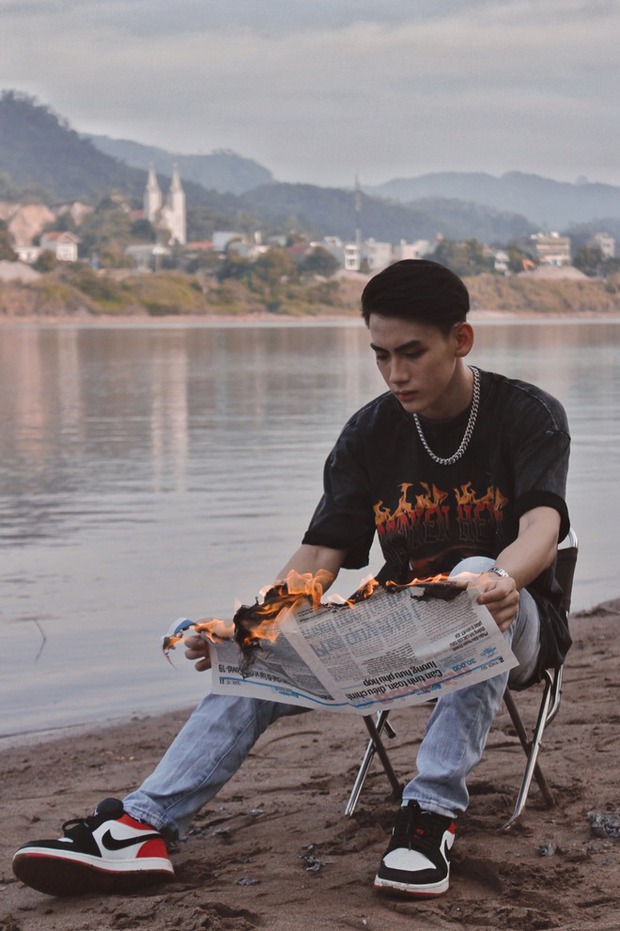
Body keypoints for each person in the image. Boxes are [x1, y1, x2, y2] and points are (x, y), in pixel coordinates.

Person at [12, 259, 571, 899]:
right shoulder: (369, 430)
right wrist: (244, 629)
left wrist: (499, 579)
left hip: (512, 624)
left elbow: (542, 528)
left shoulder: (526, 413)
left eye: (412, 353)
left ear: (460, 339)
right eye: (381, 355)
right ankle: (143, 825)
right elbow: (318, 556)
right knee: (265, 641)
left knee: (466, 581)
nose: (396, 374)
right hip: (402, 630)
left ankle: (429, 817)